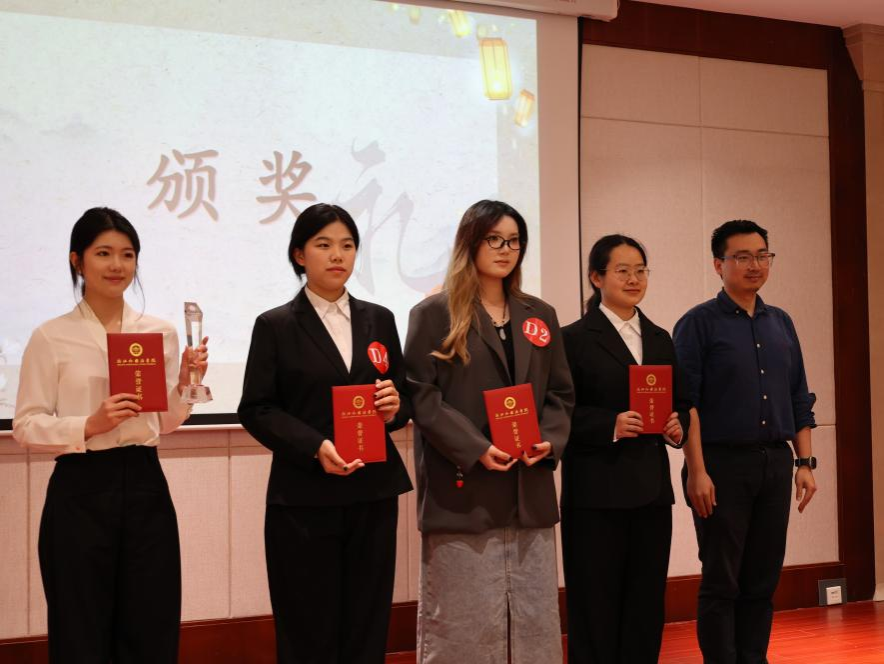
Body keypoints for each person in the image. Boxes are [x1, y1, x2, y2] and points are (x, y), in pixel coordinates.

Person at [13, 207, 208, 663]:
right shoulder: (51, 336)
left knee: (151, 621)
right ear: (77, 261)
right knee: (80, 624)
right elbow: (25, 425)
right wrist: (88, 424)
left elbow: (163, 422)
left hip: (145, 483)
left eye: (127, 254)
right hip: (80, 488)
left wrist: (184, 385)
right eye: (103, 253)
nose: (117, 265)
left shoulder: (158, 332)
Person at [238, 202, 412, 664]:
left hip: (373, 492)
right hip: (304, 496)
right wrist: (315, 447)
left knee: (367, 622)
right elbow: (257, 408)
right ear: (299, 255)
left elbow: (402, 398)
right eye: (324, 244)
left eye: (348, 245)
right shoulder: (275, 325)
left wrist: (395, 407)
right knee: (307, 626)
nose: (338, 255)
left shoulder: (380, 319)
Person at [404, 199, 574, 664]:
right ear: (470, 243)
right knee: (463, 622)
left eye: (514, 241)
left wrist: (549, 440)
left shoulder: (540, 313)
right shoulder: (434, 313)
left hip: (528, 485)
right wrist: (476, 447)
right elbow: (422, 396)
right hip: (464, 488)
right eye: (493, 239)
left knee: (534, 618)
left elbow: (561, 393)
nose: (505, 249)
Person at [674, 219, 817, 663]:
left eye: (762, 255)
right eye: (742, 257)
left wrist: (805, 464)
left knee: (762, 580)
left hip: (775, 462)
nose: (755, 265)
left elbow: (799, 396)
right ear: (719, 264)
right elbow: (686, 403)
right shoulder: (698, 323)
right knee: (722, 580)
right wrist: (697, 472)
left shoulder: (781, 322)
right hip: (720, 465)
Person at [560, 234, 690, 663]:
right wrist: (608, 424)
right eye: (622, 271)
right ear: (596, 278)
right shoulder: (572, 339)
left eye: (640, 270)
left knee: (645, 605)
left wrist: (677, 425)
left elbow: (681, 404)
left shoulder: (660, 338)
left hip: (651, 493)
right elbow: (556, 413)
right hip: (595, 494)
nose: (634, 279)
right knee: (594, 605)